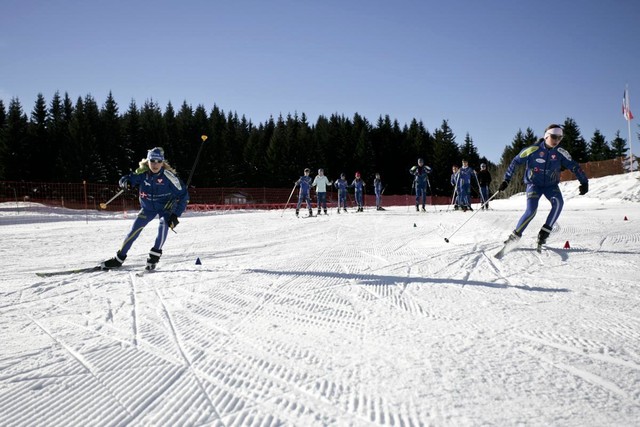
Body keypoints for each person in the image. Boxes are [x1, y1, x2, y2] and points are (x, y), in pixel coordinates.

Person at [499, 124, 589, 248]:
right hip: (534, 184)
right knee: (531, 211)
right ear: (546, 136)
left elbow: (574, 166)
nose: (557, 141)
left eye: (560, 138)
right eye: (554, 137)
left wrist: (584, 182)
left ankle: (544, 233)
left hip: (551, 186)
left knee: (558, 203)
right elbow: (515, 161)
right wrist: (506, 180)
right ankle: (515, 236)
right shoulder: (533, 149)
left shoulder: (560, 152)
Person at [102, 147, 189, 271]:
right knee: (134, 230)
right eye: (152, 160)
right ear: (147, 161)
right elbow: (128, 178)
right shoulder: (142, 173)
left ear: (162, 162)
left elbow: (184, 196)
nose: (155, 164)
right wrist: (125, 182)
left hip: (166, 208)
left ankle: (154, 256)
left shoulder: (169, 177)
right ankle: (119, 259)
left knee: (164, 224)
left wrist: (175, 215)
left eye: (159, 161)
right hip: (148, 208)